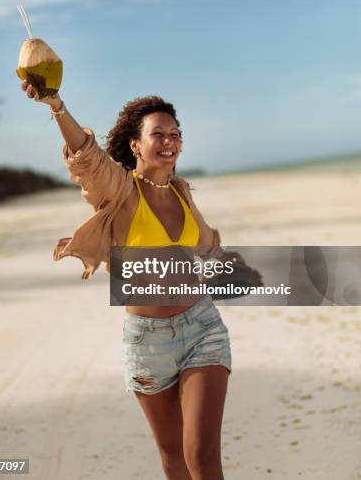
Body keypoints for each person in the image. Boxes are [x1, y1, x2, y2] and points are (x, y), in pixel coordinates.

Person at [20, 79, 237, 480]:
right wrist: (56, 105)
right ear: (136, 145)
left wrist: (276, 275)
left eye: (175, 134)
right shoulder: (120, 190)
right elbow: (86, 156)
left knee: (202, 456)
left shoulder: (183, 192)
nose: (170, 141)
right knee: (173, 456)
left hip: (203, 328)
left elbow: (208, 245)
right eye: (159, 134)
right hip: (146, 342)